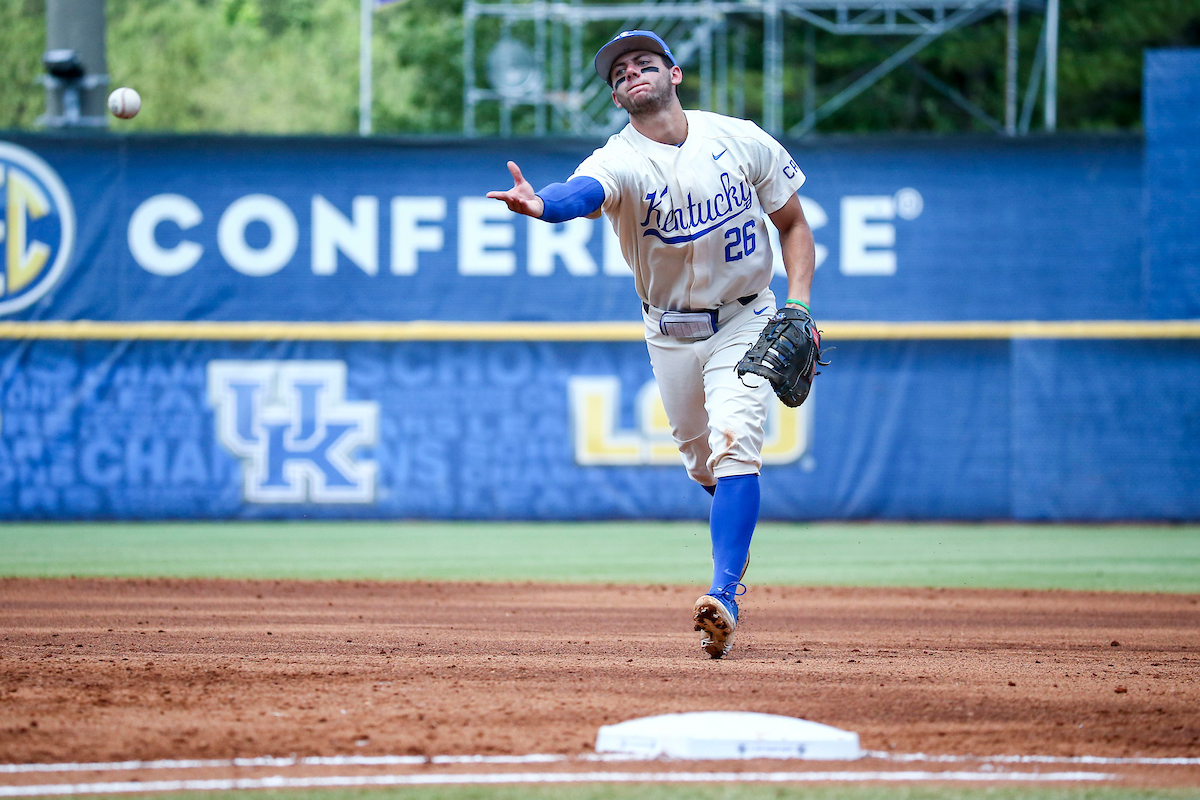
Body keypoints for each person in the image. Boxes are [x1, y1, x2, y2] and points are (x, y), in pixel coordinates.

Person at [488, 30, 816, 659]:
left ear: (676, 75)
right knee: (701, 461)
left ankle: (724, 594)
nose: (631, 73)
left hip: (747, 319)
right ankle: (735, 531)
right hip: (668, 332)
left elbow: (794, 225)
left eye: (644, 63)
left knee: (735, 441)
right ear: (616, 98)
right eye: (619, 74)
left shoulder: (739, 139)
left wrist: (799, 304)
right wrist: (543, 205)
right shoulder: (620, 160)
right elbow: (580, 194)